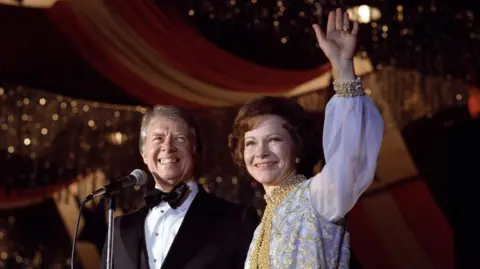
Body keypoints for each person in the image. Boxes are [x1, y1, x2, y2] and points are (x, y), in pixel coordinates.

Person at [228, 8, 384, 269]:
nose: (261, 152)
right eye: (251, 143)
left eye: (274, 139)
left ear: (296, 146)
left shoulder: (318, 196)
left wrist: (343, 68)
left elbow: (351, 154)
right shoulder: (259, 230)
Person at [101, 106, 259, 269]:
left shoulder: (236, 221)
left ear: (194, 149)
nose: (168, 147)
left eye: (179, 138)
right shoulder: (120, 229)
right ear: (144, 154)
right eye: (158, 139)